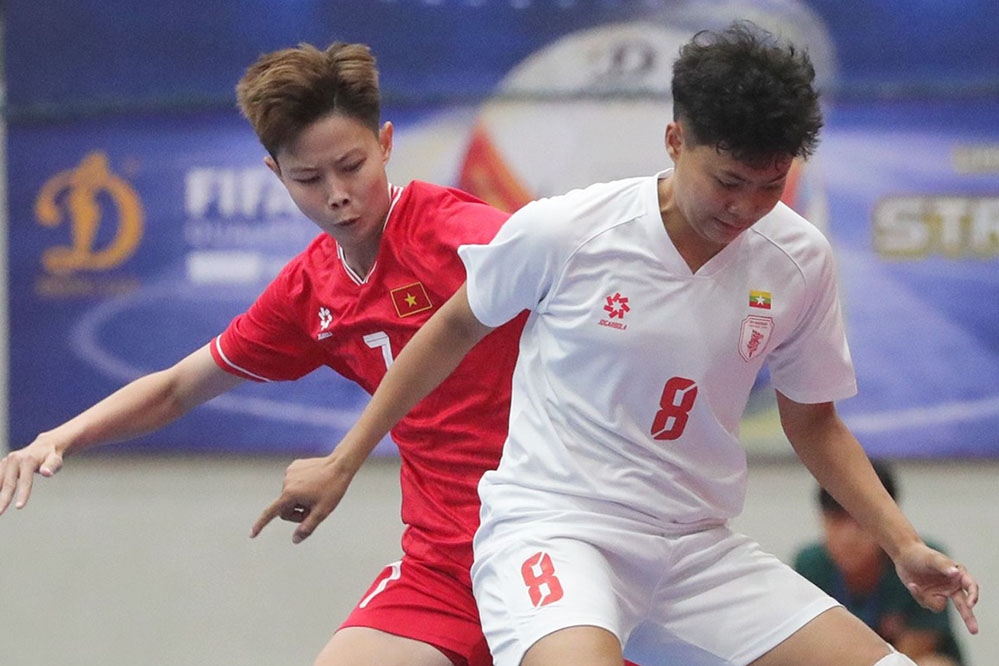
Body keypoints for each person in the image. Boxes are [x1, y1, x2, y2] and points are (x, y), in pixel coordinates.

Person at [307, 21, 980, 666]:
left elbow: (814, 422)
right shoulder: (566, 231)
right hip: (556, 532)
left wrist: (902, 544)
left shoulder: (798, 258)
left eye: (769, 185)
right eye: (726, 182)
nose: (744, 208)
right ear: (673, 139)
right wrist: (345, 458)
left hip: (694, 551)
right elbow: (453, 325)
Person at [0, 42, 529, 666]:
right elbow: (177, 388)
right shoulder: (309, 293)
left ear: (386, 144)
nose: (337, 194)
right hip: (443, 564)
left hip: (555, 540)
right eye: (309, 178)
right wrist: (59, 436)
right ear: (277, 175)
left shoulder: (467, 236)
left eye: (352, 165)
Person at [794, 461, 965, 666]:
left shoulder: (921, 566)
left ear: (888, 520)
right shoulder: (810, 565)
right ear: (822, 518)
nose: (849, 537)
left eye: (860, 522)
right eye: (836, 521)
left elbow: (912, 654)